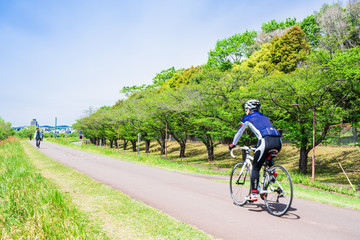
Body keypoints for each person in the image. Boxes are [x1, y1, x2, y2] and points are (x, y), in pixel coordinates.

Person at [229, 100, 282, 202]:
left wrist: (232, 144)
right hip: (278, 141)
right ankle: (272, 170)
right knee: (266, 157)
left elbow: (239, 133)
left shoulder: (247, 118)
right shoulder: (264, 117)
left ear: (249, 110)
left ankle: (253, 194)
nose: (246, 112)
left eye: (246, 110)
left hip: (265, 141)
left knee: (255, 168)